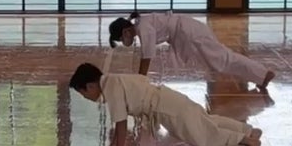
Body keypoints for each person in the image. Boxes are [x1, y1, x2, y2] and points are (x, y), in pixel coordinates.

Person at [69, 63, 262, 146]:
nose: (86, 97)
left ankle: (247, 141)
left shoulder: (110, 86)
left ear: (90, 85)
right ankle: (247, 131)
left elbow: (120, 122)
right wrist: (115, 145)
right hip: (169, 99)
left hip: (166, 109)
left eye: (83, 93)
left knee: (204, 136)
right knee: (206, 120)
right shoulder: (114, 79)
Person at [108, 11, 275, 90]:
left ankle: (263, 74)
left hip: (189, 33)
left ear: (125, 32)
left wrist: (138, 82)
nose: (124, 41)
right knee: (220, 62)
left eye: (121, 38)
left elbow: (146, 56)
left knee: (223, 60)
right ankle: (261, 75)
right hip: (186, 33)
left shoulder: (143, 28)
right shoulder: (141, 25)